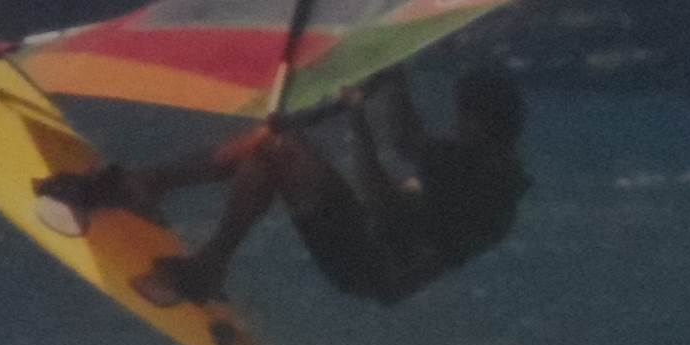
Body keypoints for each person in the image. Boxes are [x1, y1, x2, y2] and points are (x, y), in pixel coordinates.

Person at [32, 64, 528, 306]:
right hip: (375, 244)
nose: (454, 124)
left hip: (367, 263)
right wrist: (391, 74)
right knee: (274, 143)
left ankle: (201, 260)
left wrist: (357, 120)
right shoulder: (486, 160)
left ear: (479, 124)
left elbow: (380, 197)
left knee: (276, 148)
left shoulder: (477, 177)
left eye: (462, 117)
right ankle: (146, 187)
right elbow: (409, 139)